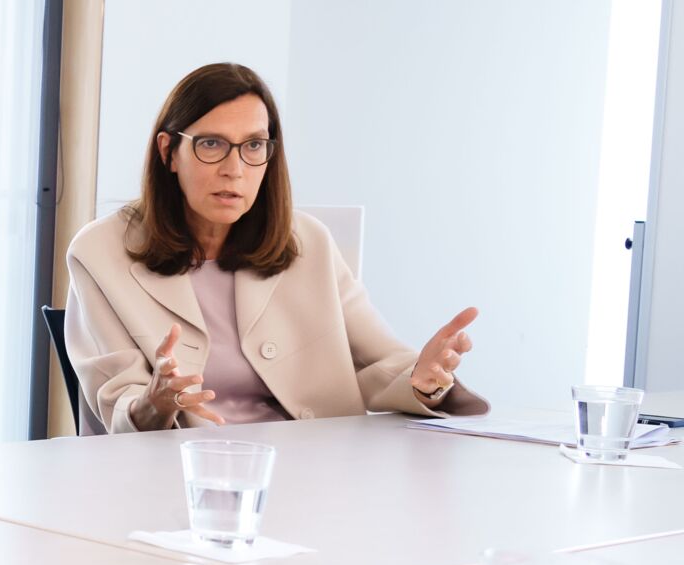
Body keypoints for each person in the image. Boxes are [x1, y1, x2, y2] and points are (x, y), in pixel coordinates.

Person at [65, 62, 488, 433]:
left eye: (253, 146)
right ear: (169, 152)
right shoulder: (100, 253)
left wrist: (423, 378)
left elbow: (380, 364)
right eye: (211, 144)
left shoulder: (310, 243)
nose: (234, 170)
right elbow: (118, 407)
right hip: (183, 477)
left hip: (320, 472)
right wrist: (154, 401)